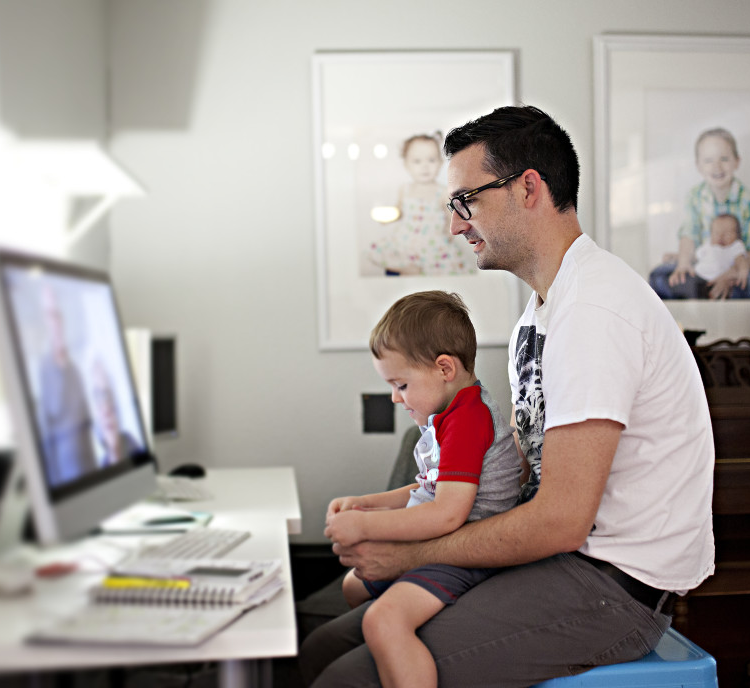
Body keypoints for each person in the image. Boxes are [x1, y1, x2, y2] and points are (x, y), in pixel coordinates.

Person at [300, 105, 715, 687]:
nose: (455, 225)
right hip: (562, 561)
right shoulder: (542, 314)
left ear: (527, 188)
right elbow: (517, 473)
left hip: (611, 584)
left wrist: (409, 555)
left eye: (465, 201)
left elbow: (562, 522)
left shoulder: (594, 309)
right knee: (324, 648)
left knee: (352, 678)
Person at [324, 290, 522, 688]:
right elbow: (428, 486)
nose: (396, 398)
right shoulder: (445, 415)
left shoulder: (469, 418)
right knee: (354, 585)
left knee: (384, 620)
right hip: (445, 536)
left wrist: (366, 529)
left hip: (464, 551)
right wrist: (367, 505)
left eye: (401, 384)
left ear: (444, 368)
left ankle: (401, 641)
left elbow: (448, 512)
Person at [648, 127, 750, 299]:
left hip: (735, 270)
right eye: (709, 160)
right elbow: (689, 233)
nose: (717, 166)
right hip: (703, 268)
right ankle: (706, 290)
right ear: (698, 165)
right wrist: (683, 261)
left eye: (724, 159)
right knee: (658, 276)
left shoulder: (748, 199)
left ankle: (709, 290)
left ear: (737, 162)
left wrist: (732, 273)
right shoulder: (695, 196)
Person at [367, 133, 474, 277]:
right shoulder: (405, 189)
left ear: (440, 163)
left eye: (431, 160)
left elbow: (451, 217)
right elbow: (398, 211)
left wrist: (449, 235)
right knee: (379, 254)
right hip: (406, 239)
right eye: (417, 161)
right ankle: (406, 268)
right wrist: (387, 216)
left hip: (432, 241)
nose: (425, 166)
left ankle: (416, 271)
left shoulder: (442, 192)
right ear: (407, 165)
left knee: (438, 266)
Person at [36, 284, 95, 486]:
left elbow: (87, 431)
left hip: (89, 480)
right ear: (44, 322)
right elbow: (46, 446)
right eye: (51, 315)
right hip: (65, 486)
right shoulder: (42, 373)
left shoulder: (76, 371)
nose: (56, 322)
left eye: (59, 315)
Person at [669, 214, 748, 300]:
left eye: (727, 234)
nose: (721, 237)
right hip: (698, 277)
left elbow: (741, 260)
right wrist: (675, 256)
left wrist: (743, 270)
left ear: (737, 236)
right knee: (683, 281)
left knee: (723, 294)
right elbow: (695, 257)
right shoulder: (708, 246)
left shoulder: (735, 246)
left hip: (719, 280)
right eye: (716, 233)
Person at [88, 356, 143, 467]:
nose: (105, 408)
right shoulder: (102, 467)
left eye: (108, 393)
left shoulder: (137, 454)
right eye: (98, 396)